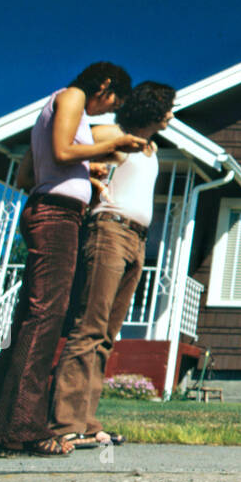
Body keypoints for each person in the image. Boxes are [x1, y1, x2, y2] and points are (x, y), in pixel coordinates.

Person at [0, 63, 145, 456]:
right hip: (56, 218)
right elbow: (64, 151)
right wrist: (112, 149)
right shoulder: (74, 97)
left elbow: (28, 175)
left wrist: (88, 174)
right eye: (114, 100)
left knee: (33, 319)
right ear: (105, 86)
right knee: (46, 318)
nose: (109, 110)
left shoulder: (55, 109)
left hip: (50, 211)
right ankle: (22, 430)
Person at [50, 82, 175, 449]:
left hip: (136, 241)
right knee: (88, 328)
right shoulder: (113, 133)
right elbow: (72, 143)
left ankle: (87, 423)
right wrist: (93, 173)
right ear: (151, 108)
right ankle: (64, 424)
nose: (171, 113)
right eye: (167, 107)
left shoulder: (151, 149)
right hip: (108, 232)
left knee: (105, 336)